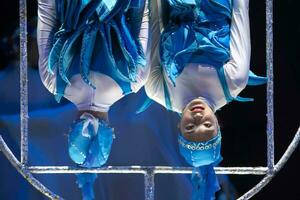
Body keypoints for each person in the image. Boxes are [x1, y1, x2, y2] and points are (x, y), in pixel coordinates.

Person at [145, 0, 266, 199]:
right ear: (218, 125)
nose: (197, 117)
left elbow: (155, 18)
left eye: (190, 128)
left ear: (179, 128)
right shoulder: (233, 82)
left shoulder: (159, 91)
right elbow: (240, 10)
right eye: (207, 125)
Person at [37, 0, 149, 199]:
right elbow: (47, 10)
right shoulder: (52, 80)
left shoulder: (136, 79)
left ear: (112, 133)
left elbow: (143, 13)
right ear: (70, 130)